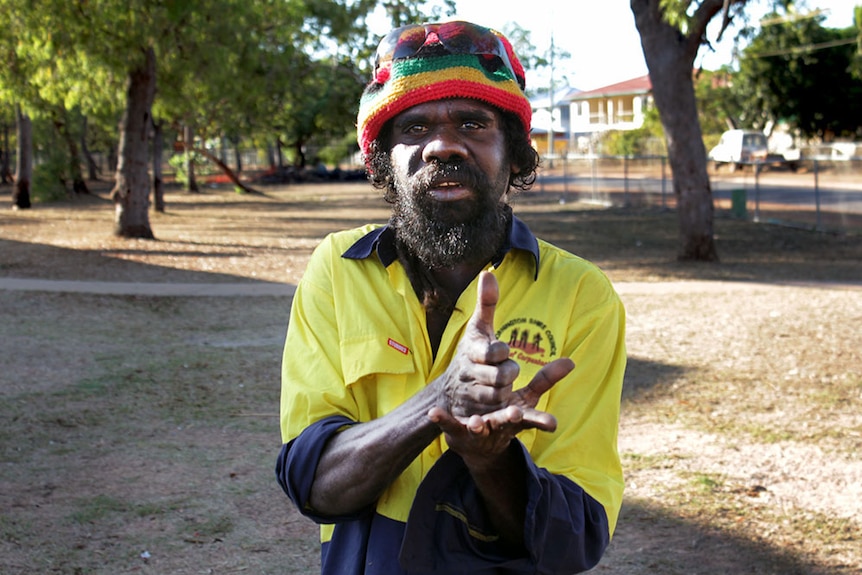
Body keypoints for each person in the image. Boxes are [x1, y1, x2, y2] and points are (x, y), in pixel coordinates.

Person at [275, 20, 626, 574]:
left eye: (472, 122)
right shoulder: (338, 272)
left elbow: (573, 543)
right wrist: (444, 398)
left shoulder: (582, 294)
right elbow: (314, 486)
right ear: (383, 160)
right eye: (413, 127)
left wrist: (491, 461)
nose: (442, 144)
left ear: (513, 153)